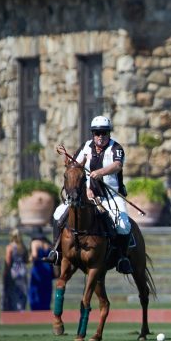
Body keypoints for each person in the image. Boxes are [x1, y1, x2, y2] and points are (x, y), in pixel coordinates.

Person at [47, 115, 132, 274]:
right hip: (86, 195)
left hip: (110, 196)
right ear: (93, 134)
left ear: (109, 133)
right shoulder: (86, 146)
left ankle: (122, 257)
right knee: (58, 214)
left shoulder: (116, 148)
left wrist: (100, 172)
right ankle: (56, 251)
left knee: (124, 225)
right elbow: (75, 166)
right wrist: (66, 156)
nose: (100, 136)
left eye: (104, 133)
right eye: (97, 133)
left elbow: (117, 165)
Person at [2, 228, 28, 312]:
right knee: (22, 291)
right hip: (22, 270)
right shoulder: (23, 247)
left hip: (13, 270)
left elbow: (8, 262)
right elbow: (26, 260)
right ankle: (21, 309)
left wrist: (5, 272)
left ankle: (14, 310)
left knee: (13, 291)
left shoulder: (10, 247)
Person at [29, 229, 54, 311]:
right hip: (48, 269)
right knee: (46, 290)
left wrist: (30, 258)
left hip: (38, 268)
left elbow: (34, 255)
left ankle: (36, 310)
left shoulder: (35, 242)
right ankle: (45, 309)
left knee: (36, 290)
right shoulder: (47, 243)